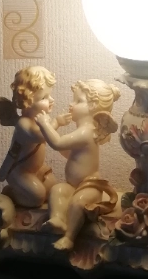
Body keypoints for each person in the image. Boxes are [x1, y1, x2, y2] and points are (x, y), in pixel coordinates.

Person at [35, 79, 120, 250]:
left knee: (77, 203)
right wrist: (57, 126)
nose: (71, 104)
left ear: (93, 107)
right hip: (73, 185)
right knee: (57, 190)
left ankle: (69, 238)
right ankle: (58, 219)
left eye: (78, 101)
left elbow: (58, 143)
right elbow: (68, 152)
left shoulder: (86, 132)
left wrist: (45, 124)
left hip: (89, 186)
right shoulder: (83, 132)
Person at [0, 66, 70, 208]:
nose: (51, 99)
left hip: (37, 170)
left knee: (52, 189)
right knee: (37, 197)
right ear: (27, 101)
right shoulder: (23, 124)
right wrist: (56, 122)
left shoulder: (40, 120)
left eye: (50, 95)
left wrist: (51, 123)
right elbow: (40, 136)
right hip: (19, 172)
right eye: (44, 97)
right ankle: (11, 195)